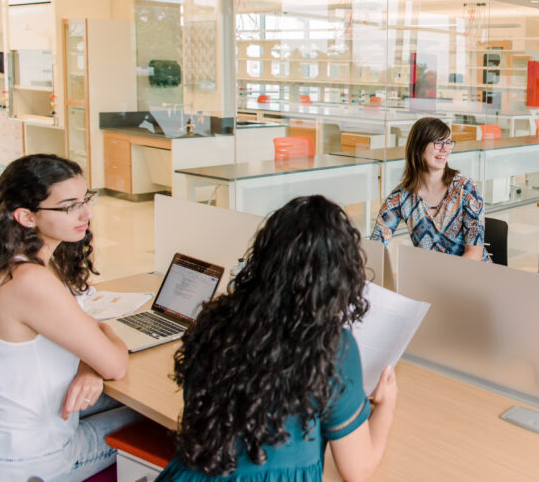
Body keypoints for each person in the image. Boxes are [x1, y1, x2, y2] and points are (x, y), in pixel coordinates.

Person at [158, 195, 397, 480]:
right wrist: (385, 407)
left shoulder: (214, 321)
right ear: (338, 277)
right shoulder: (332, 346)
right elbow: (357, 470)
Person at [0, 154, 137, 482]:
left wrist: (88, 367)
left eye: (85, 198)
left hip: (8, 439)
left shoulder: (13, 261)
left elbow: (84, 334)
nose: (88, 213)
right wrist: (99, 350)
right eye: (69, 205)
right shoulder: (29, 281)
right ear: (26, 216)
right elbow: (114, 363)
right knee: (154, 420)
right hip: (36, 459)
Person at [371, 117, 487, 261]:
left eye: (448, 142)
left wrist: (444, 280)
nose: (445, 149)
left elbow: (475, 253)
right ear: (418, 149)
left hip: (472, 275)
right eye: (438, 143)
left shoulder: (466, 189)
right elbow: (375, 245)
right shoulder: (401, 197)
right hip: (431, 277)